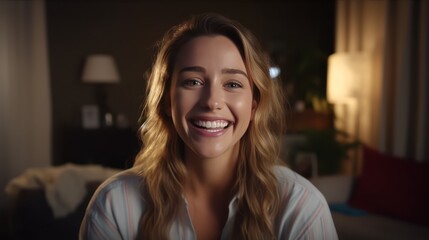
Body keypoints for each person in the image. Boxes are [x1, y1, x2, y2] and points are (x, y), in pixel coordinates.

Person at [79, 13, 338, 240]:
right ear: (168, 100)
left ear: (254, 105)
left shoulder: (301, 208)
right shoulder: (114, 206)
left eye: (233, 84)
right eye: (192, 82)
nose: (212, 101)